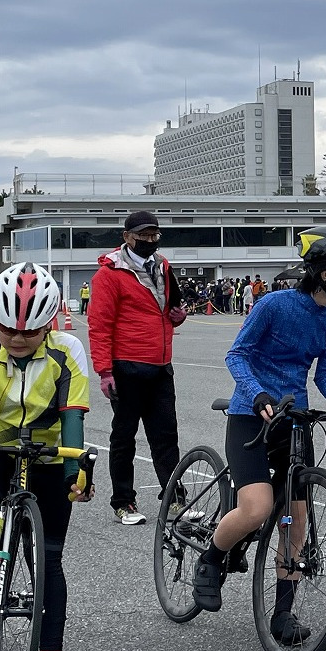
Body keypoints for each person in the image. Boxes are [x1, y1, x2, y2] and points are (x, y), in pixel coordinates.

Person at [190, 226, 326, 643]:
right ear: (325, 272)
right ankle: (211, 558)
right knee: (256, 508)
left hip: (293, 420)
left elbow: (324, 372)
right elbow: (237, 355)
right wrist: (256, 395)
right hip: (251, 416)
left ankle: (283, 615)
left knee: (295, 522)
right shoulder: (274, 305)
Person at [0, 263, 94, 651]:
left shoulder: (68, 349)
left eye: (30, 332)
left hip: (50, 448)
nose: (18, 340)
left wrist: (76, 470)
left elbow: (72, 413)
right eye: (9, 331)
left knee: (48, 558)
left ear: (49, 324)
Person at [87, 210, 188, 525]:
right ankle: (123, 502)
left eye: (153, 235)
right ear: (127, 237)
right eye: (142, 235)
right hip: (126, 367)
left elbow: (170, 304)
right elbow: (99, 325)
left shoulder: (163, 266)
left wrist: (177, 316)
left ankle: (173, 499)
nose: (149, 240)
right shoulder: (109, 274)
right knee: (124, 437)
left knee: (166, 436)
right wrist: (104, 371)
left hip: (160, 366)